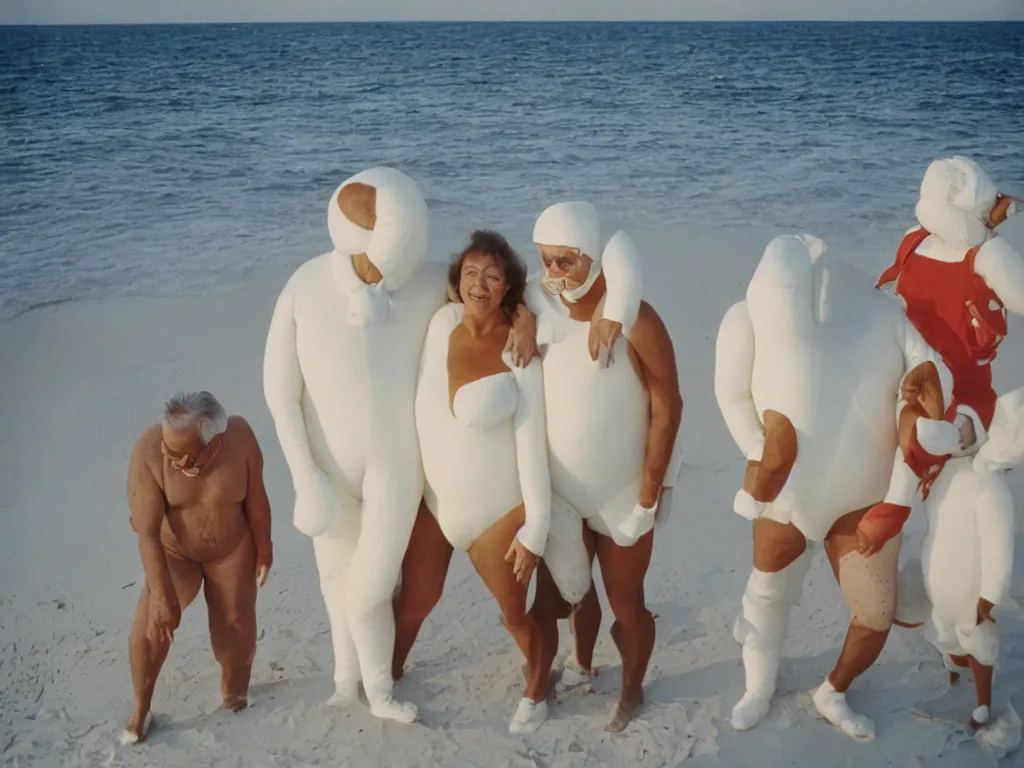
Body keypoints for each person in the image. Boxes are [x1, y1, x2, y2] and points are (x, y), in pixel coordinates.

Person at [262, 168, 538, 724]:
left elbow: (497, 288)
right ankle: (347, 682)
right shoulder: (304, 285)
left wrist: (526, 319)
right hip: (327, 470)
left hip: (398, 467)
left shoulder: (424, 281)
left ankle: (382, 689)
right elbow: (278, 390)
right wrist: (302, 477)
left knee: (368, 591)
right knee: (333, 578)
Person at [715, 234, 954, 740]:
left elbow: (934, 379)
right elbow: (731, 396)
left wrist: (897, 498)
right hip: (787, 493)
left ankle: (834, 690)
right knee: (769, 591)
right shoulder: (744, 320)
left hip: (863, 497)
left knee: (876, 611)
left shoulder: (887, 316)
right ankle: (758, 685)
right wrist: (762, 453)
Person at [391, 230, 588, 733]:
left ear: (508, 289)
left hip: (495, 512)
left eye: (494, 276)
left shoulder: (520, 350)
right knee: (412, 604)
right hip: (437, 503)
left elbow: (531, 443)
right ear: (457, 282)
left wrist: (535, 528)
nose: (481, 283)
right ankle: (386, 675)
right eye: (472, 273)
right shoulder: (439, 324)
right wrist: (525, 313)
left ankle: (539, 689)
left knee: (515, 616)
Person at [527, 201, 684, 733]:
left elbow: (669, 406)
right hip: (563, 495)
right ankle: (583, 662)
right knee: (568, 594)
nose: (553, 274)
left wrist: (649, 494)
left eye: (564, 262)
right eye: (545, 261)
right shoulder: (537, 305)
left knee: (627, 604)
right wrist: (524, 319)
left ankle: (633, 688)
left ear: (591, 258)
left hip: (621, 494)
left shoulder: (635, 317)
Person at [857, 156, 1024, 555]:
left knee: (917, 399)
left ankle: (917, 460)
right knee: (970, 419)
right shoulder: (987, 256)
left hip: (902, 364)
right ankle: (934, 456)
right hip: (961, 383)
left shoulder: (913, 237)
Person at [123, 391, 272, 744]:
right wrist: (161, 595)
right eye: (167, 449)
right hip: (175, 553)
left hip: (231, 549)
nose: (169, 459)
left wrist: (265, 544)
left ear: (213, 443)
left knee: (235, 624)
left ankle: (234, 697)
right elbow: (145, 533)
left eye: (180, 454)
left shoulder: (240, 438)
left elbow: (257, 498)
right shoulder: (148, 451)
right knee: (152, 625)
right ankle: (141, 711)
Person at [919, 387, 1023, 730]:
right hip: (940, 578)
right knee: (943, 629)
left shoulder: (990, 487)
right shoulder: (943, 474)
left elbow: (998, 544)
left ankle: (982, 703)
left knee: (977, 637)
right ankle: (952, 664)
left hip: (968, 585)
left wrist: (991, 592)